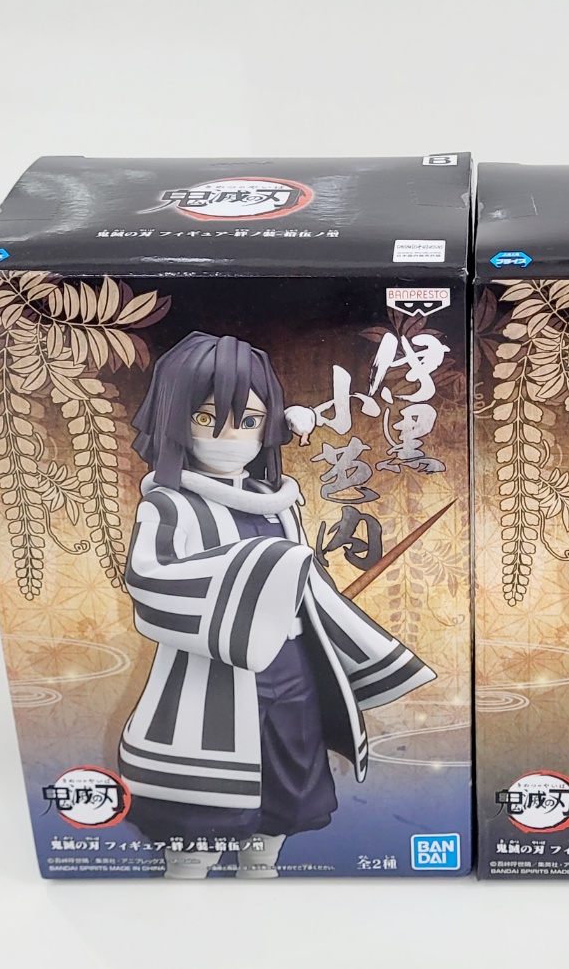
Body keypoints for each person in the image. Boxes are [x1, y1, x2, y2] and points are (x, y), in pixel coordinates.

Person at [118, 332, 434, 878]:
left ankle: (264, 860)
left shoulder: (276, 502)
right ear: (174, 419)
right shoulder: (171, 505)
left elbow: (308, 586)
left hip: (291, 664)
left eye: (248, 421)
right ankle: (189, 867)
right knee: (205, 784)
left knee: (288, 759)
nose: (230, 436)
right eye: (207, 418)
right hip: (210, 668)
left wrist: (357, 643)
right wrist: (257, 574)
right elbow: (149, 581)